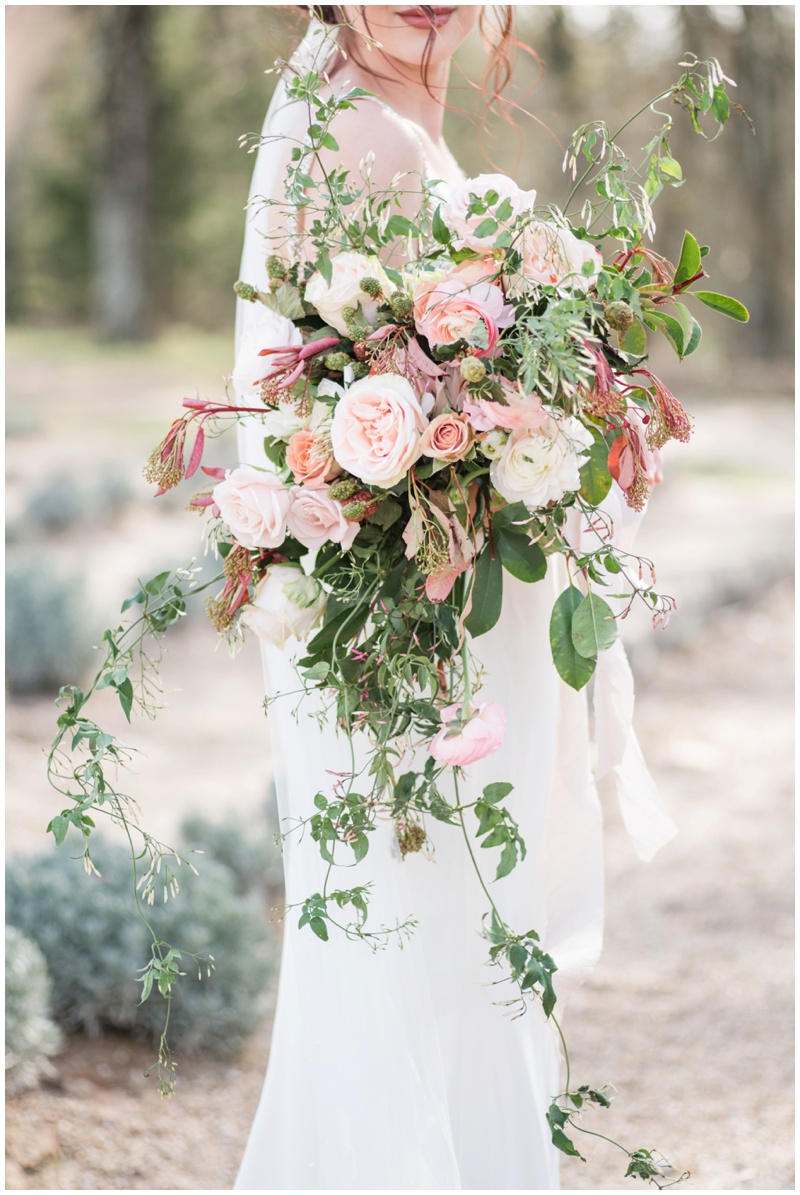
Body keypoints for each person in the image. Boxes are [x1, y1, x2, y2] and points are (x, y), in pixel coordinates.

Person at [233, 7, 675, 1189]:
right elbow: (316, 402)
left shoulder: (365, 101)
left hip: (460, 585)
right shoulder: (358, 125)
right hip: (423, 612)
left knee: (447, 914)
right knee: (424, 915)